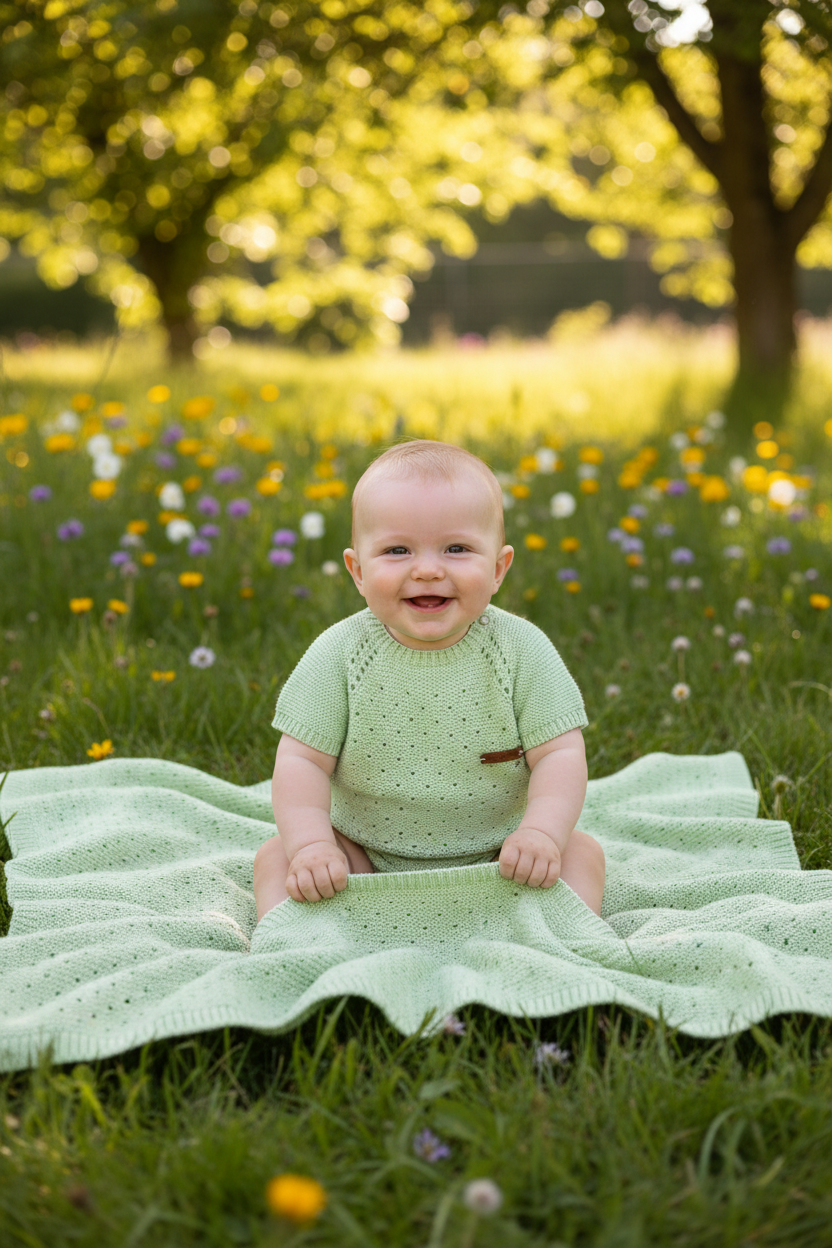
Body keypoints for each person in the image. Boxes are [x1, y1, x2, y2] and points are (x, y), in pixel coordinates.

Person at [253, 440, 605, 921]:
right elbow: (301, 762)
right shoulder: (339, 654)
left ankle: (558, 939)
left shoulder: (520, 650)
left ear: (498, 568)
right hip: (363, 855)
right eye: (397, 550)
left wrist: (541, 833)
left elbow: (560, 754)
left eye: (456, 549)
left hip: (503, 853)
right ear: (357, 571)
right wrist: (313, 846)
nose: (427, 569)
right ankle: (299, 943)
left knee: (580, 854)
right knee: (277, 858)